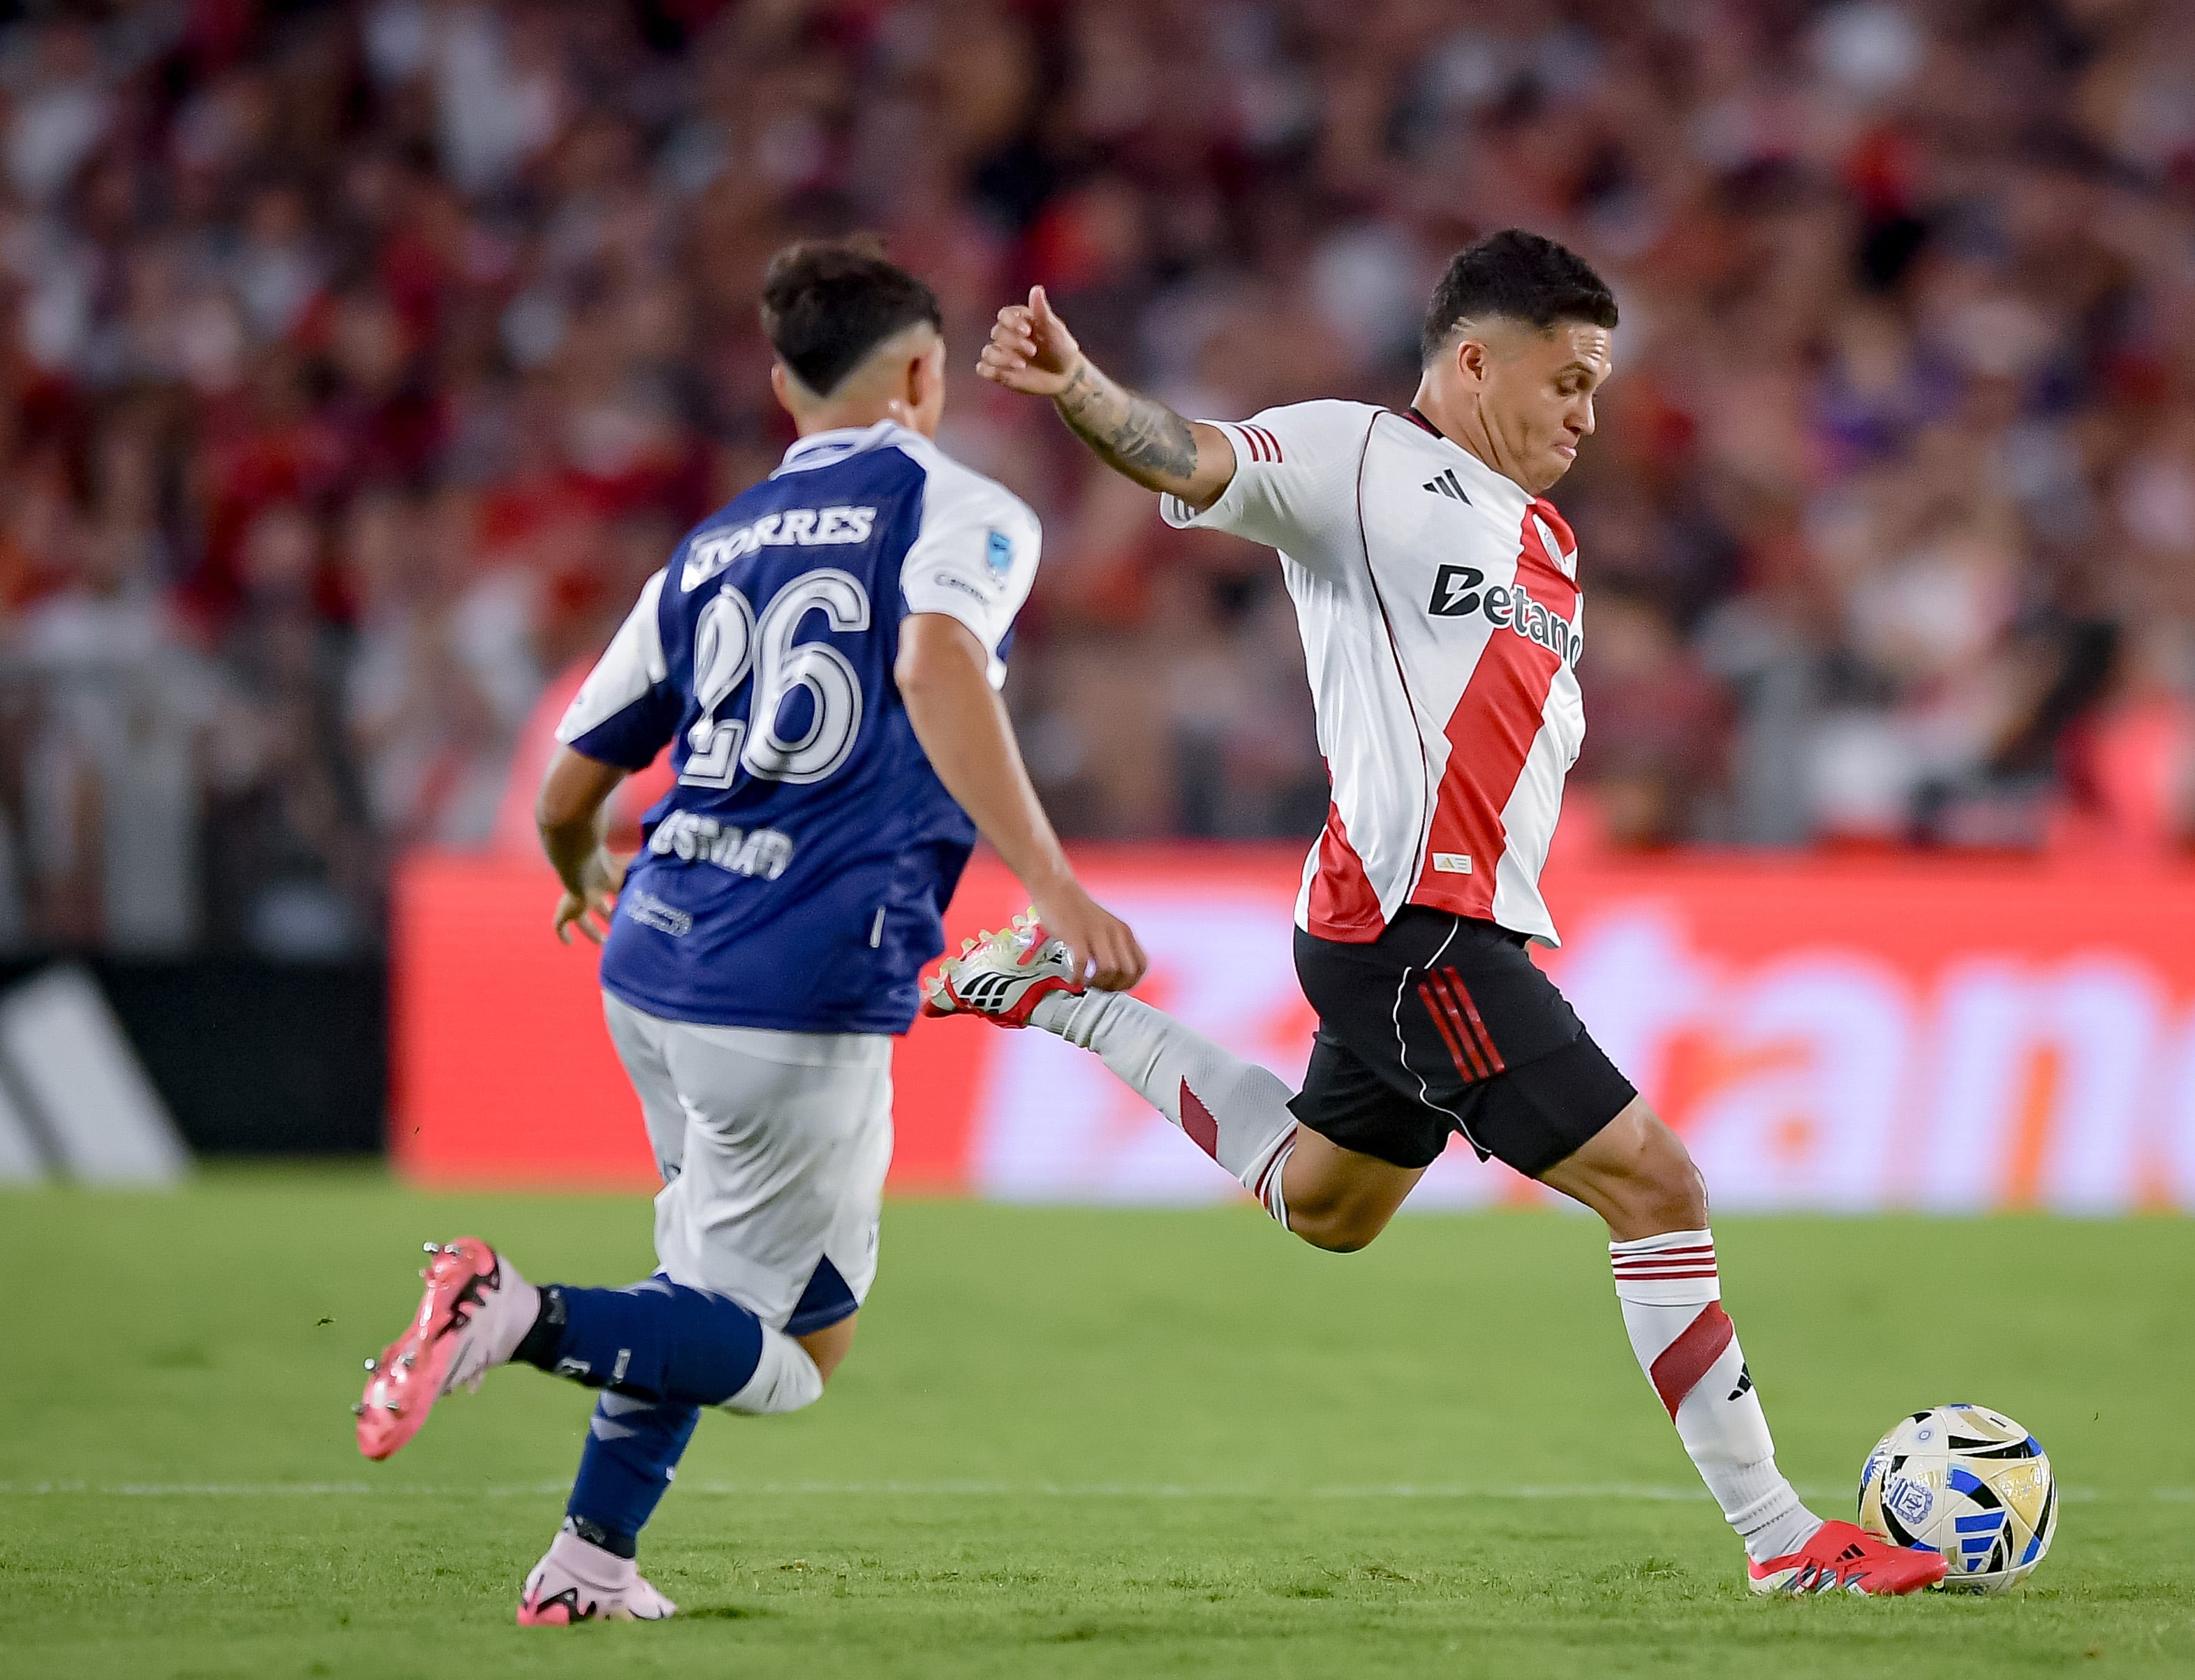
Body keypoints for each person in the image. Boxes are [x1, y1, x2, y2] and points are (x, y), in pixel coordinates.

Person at [929, 230, 1943, 1597]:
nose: (1586, 414)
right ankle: (1780, 1543)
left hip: (1445, 927)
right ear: (1472, 362)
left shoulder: (1545, 541)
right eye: (1567, 380)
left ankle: (1057, 1000)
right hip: (1415, 930)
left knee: (1328, 1201)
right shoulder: (1355, 463)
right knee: (1656, 1188)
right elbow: (1186, 453)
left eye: (1597, 387)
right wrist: (1078, 390)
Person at [349, 239, 1146, 1625]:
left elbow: (566, 787)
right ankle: (510, 1310)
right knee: (785, 1355)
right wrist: (1054, 880)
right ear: (918, 373)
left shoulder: (709, 546)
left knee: (736, 1287)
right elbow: (937, 660)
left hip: (651, 955)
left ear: (784, 388)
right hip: (799, 980)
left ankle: (589, 1564)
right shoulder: (969, 513)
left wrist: (569, 864)